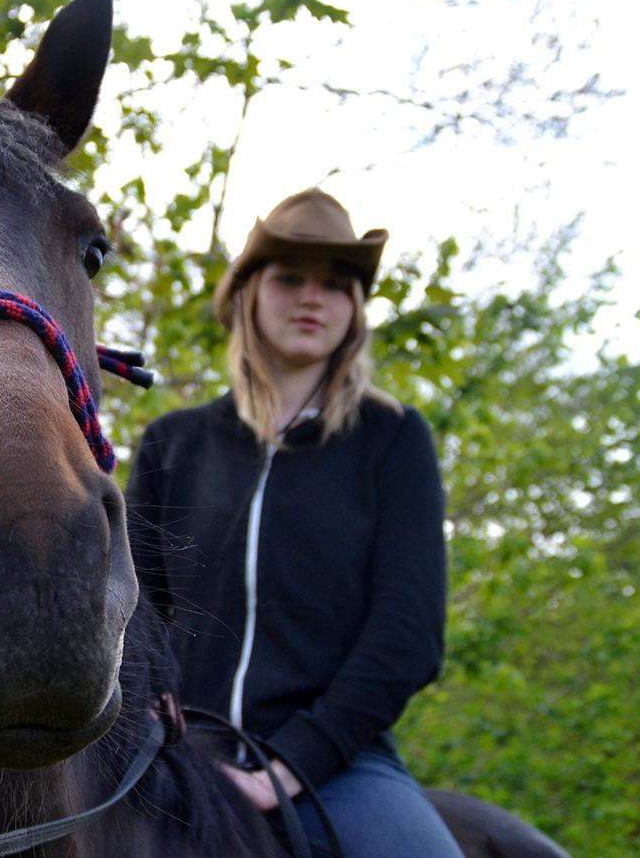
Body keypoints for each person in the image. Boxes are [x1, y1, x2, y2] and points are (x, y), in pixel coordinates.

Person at [125, 189, 464, 857]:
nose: (313, 297)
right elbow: (135, 606)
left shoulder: (391, 439)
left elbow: (407, 633)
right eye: (290, 277)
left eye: (336, 284)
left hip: (338, 765)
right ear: (247, 293)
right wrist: (149, 705)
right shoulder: (174, 442)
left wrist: (287, 768)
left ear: (355, 310)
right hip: (174, 752)